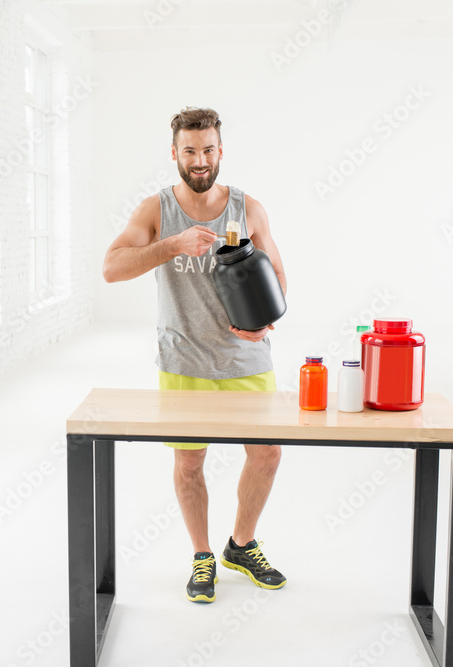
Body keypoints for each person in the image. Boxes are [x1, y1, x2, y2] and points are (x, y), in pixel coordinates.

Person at [101, 107, 288, 604]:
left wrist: (266, 321)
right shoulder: (156, 210)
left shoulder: (248, 208)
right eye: (190, 151)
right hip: (183, 359)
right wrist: (172, 245)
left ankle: (241, 546)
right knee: (189, 463)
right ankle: (202, 555)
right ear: (174, 153)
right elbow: (112, 269)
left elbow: (276, 273)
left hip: (246, 359)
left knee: (267, 453)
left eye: (208, 150)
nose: (200, 160)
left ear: (221, 151)